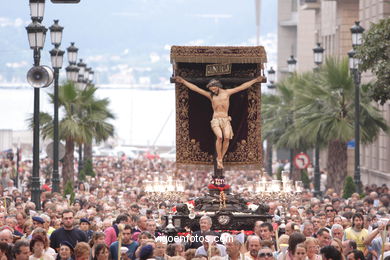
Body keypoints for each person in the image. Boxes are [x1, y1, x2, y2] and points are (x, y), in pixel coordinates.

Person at [174, 76, 264, 169]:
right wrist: (183, 81)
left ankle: (220, 158)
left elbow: (242, 87)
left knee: (227, 138)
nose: (212, 90)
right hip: (216, 120)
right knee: (220, 137)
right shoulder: (211, 95)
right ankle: (219, 158)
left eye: (213, 88)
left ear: (218, 86)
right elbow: (196, 89)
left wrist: (255, 80)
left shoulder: (227, 93)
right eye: (211, 89)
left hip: (225, 119)